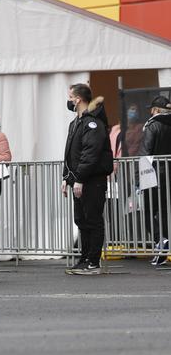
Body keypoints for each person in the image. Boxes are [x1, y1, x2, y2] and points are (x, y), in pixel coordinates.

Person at [62, 84, 113, 275]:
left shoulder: (93, 123)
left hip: (92, 180)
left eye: (70, 97)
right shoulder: (76, 123)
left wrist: (80, 178)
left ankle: (93, 262)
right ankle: (84, 259)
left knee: (93, 220)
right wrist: (66, 178)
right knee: (81, 220)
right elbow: (70, 154)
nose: (68, 101)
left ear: (78, 99)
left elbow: (90, 154)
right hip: (79, 180)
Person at [139, 96, 171, 266]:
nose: (150, 112)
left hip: (153, 175)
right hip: (169, 176)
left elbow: (146, 153)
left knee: (148, 211)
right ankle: (163, 248)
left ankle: (161, 241)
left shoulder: (152, 125)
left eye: (152, 109)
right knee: (164, 212)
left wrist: (138, 179)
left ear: (156, 110)